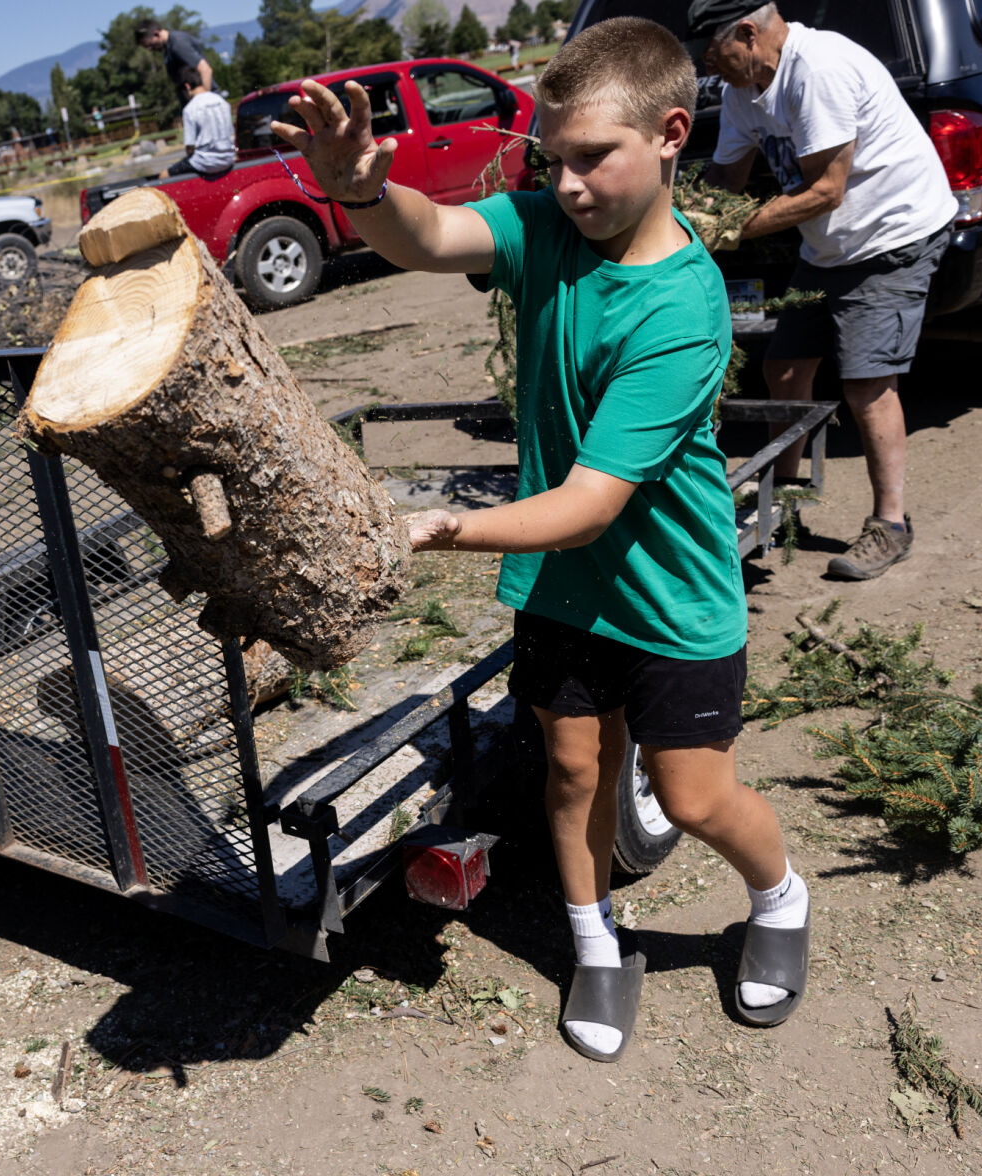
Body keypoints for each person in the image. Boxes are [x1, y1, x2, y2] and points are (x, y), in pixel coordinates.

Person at [272, 16, 809, 1063]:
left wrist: (441, 528)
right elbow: (432, 237)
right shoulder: (546, 228)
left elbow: (587, 505)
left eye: (591, 157)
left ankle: (779, 897)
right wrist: (359, 194)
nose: (564, 184)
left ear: (669, 134)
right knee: (570, 774)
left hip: (672, 597)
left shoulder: (679, 311)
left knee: (694, 796)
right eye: (549, 159)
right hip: (565, 592)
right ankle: (594, 944)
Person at [689, 0, 958, 580]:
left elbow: (826, 190)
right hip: (830, 246)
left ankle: (891, 526)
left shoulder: (819, 70)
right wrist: (685, 216)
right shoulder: (743, 89)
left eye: (714, 54)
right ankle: (783, 503)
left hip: (892, 234)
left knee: (866, 383)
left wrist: (727, 229)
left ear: (748, 33)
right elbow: (726, 176)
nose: (709, 68)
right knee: (784, 370)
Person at [159, 68, 235, 179]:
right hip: (228, 159)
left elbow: (190, 147)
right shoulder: (222, 101)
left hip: (206, 163)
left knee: (163, 175)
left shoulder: (190, 108)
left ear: (187, 86)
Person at [135, 18, 212, 104]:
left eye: (150, 45)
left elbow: (205, 69)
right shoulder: (168, 48)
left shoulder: (177, 44)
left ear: (156, 34)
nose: (150, 49)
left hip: (205, 104)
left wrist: (205, 101)